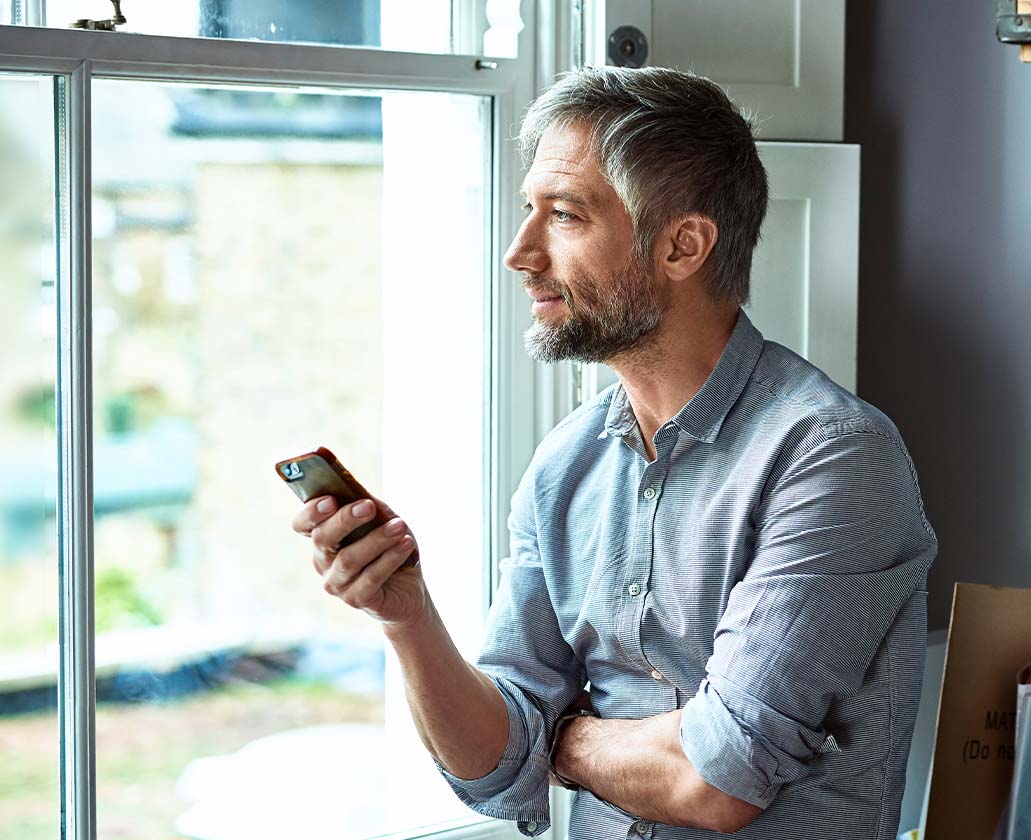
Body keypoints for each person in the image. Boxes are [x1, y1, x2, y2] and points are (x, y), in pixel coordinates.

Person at [292, 66, 937, 839]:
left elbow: (717, 780)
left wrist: (557, 740)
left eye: (563, 216)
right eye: (529, 211)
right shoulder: (564, 467)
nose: (520, 253)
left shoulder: (833, 457)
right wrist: (407, 618)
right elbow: (494, 768)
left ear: (683, 245)